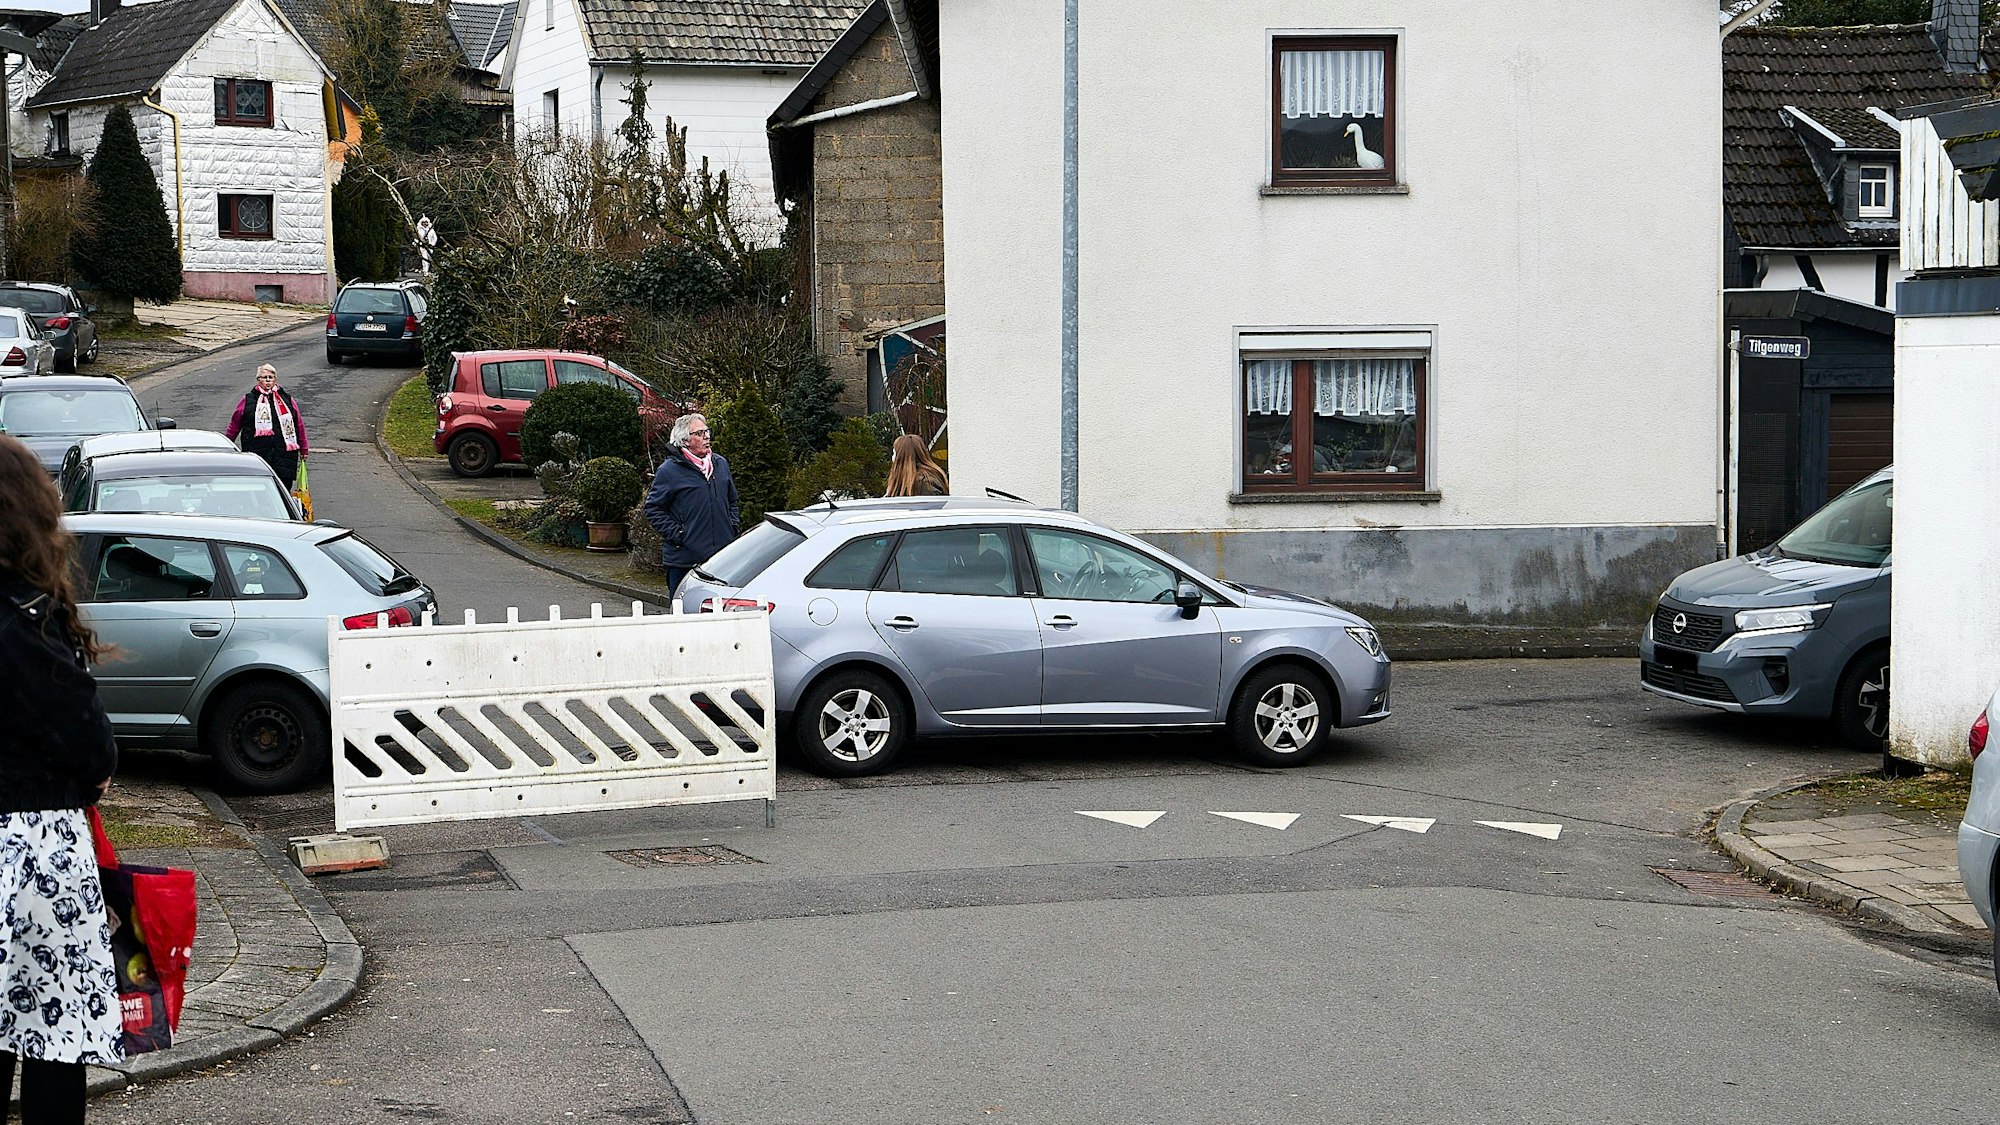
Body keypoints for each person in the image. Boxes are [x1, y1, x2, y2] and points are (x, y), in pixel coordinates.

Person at [0, 434, 121, 1125]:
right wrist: (94, 771)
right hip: (32, 843)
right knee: (52, 1033)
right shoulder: (26, 618)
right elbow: (88, 741)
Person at [643, 413, 739, 595]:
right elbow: (653, 508)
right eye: (700, 433)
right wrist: (679, 535)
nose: (707, 437)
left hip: (721, 558)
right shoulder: (669, 470)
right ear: (685, 440)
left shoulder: (720, 464)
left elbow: (732, 500)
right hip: (684, 560)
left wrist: (732, 525)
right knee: (683, 615)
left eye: (707, 431)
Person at [224, 364, 308, 489]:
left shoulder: (287, 400)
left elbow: (298, 424)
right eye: (264, 377)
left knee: (283, 488)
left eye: (271, 377)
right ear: (258, 380)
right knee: (258, 488)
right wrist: (226, 445)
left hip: (284, 454)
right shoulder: (248, 400)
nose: (268, 380)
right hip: (256, 453)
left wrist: (304, 448)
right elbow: (234, 425)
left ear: (275, 379)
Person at [884, 434, 949, 497]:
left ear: (900, 457)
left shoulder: (925, 484)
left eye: (894, 453)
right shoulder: (928, 479)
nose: (892, 458)